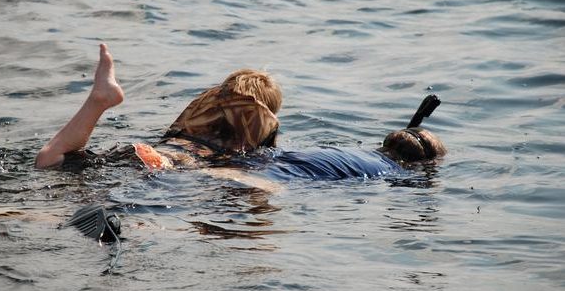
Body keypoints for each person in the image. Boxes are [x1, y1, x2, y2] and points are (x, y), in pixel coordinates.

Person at [35, 44, 446, 181]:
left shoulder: (193, 125)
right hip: (169, 168)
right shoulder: (252, 154)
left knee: (50, 162)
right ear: (265, 120)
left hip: (147, 151)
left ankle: (98, 102)